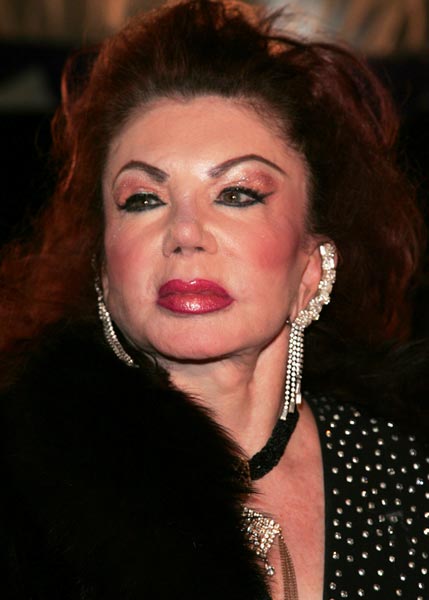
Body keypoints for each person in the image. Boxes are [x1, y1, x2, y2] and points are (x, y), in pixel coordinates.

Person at [0, 1, 428, 599]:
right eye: (143, 199)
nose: (185, 233)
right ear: (103, 270)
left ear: (311, 266)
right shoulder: (22, 490)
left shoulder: (406, 468)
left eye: (237, 193)